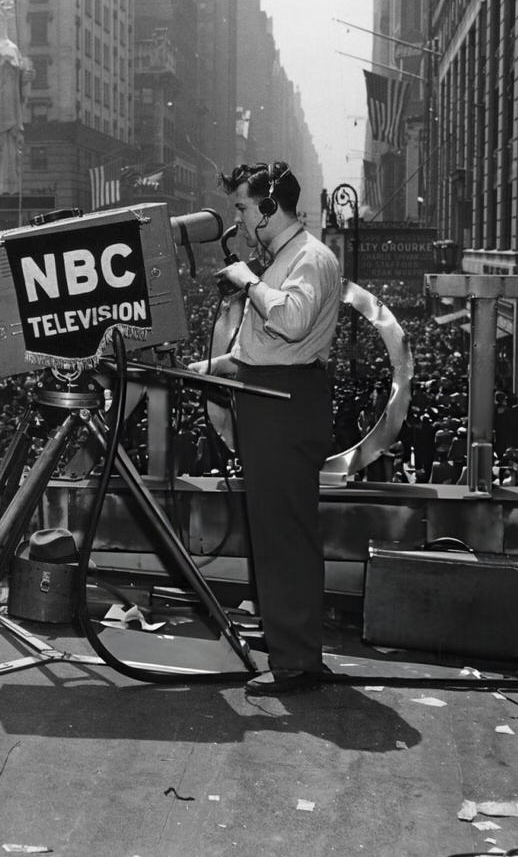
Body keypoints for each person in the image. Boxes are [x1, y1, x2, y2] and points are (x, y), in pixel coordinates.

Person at [189, 161, 342, 695]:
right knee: (274, 534)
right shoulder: (283, 259)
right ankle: (288, 646)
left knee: (285, 536)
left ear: (270, 208)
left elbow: (293, 322)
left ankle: (297, 662)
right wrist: (206, 370)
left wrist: (247, 281)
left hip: (285, 404)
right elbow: (258, 351)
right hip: (268, 398)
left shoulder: (311, 258)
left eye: (243, 207)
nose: (238, 217)